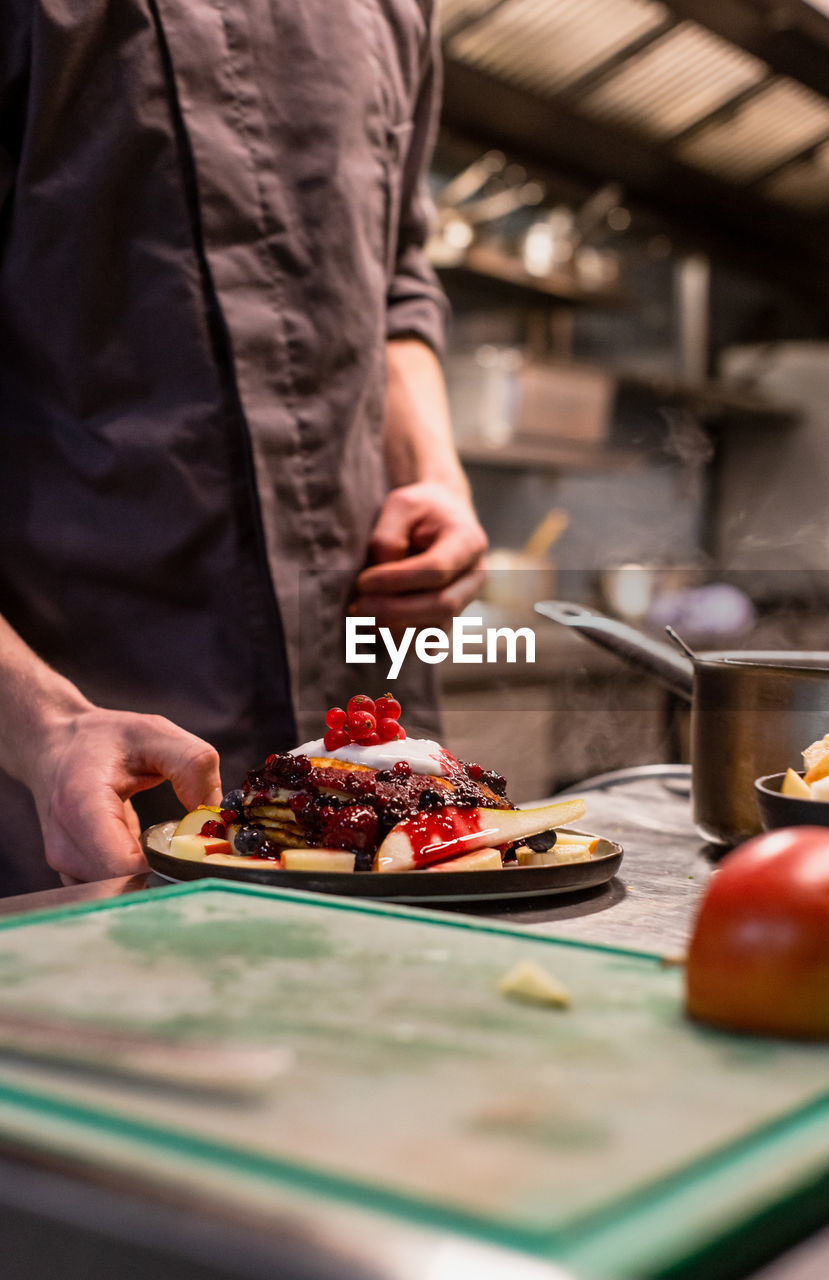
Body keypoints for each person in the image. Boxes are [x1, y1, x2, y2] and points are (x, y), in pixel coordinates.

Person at [0, 0, 487, 893]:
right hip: (68, 777)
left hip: (367, 754)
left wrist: (435, 477)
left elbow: (398, 284)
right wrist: (44, 728)